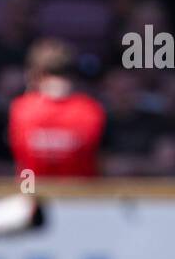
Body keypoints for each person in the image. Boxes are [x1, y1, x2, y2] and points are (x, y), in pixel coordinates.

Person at [9, 37, 105, 178]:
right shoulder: (92, 110)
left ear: (35, 74)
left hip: (31, 194)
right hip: (81, 197)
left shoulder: (20, 109)